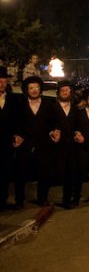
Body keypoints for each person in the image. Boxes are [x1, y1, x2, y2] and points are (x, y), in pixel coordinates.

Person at [13, 76, 60, 207]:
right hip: (25, 144)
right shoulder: (20, 104)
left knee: (44, 173)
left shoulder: (49, 104)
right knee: (20, 173)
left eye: (37, 88)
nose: (34, 90)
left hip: (44, 144)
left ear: (41, 89)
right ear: (26, 90)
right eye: (31, 88)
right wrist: (17, 135)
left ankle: (42, 198)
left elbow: (54, 122)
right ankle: (19, 200)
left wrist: (54, 131)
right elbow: (15, 123)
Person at [53, 80, 79, 209]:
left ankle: (67, 199)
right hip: (56, 146)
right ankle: (43, 198)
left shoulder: (75, 108)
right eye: (63, 90)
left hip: (72, 147)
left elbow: (78, 125)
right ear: (59, 92)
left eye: (67, 90)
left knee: (70, 173)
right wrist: (52, 132)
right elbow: (46, 124)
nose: (65, 92)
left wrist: (79, 133)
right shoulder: (52, 107)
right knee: (54, 173)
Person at [0, 66, 21, 210]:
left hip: (6, 143)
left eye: (3, 81)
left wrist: (17, 134)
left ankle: (2, 200)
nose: (1, 83)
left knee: (4, 172)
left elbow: (18, 120)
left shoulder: (13, 99)